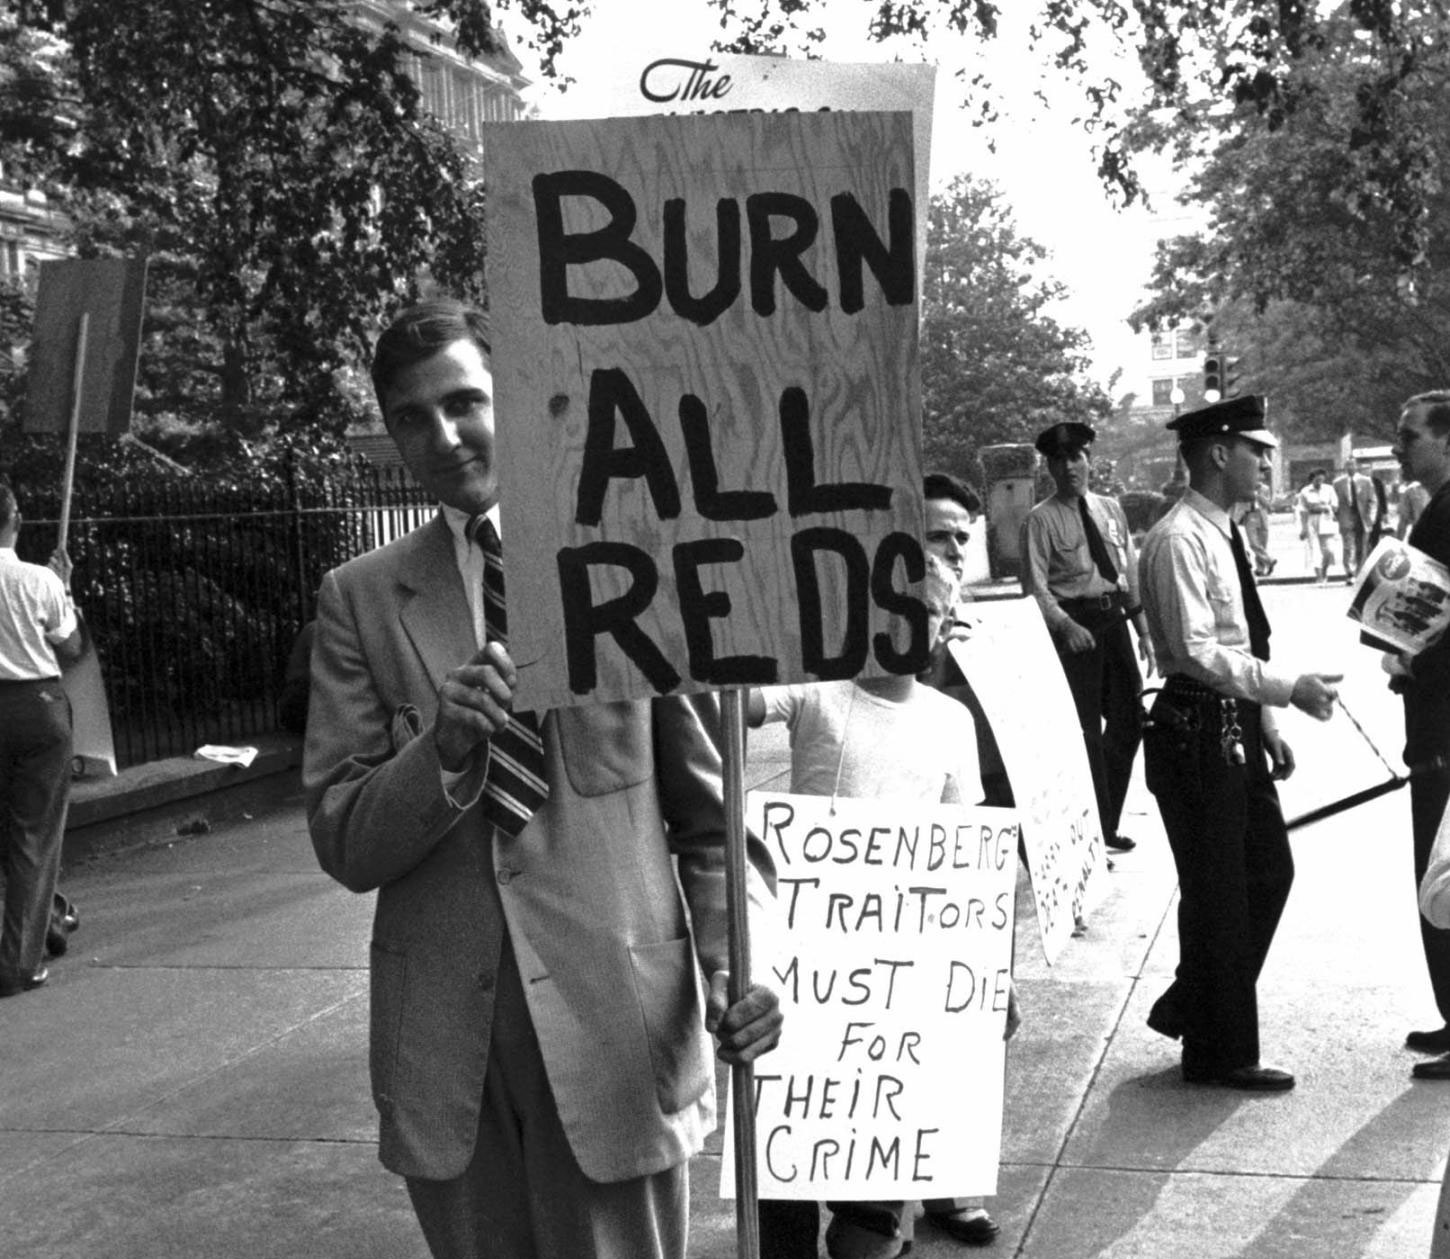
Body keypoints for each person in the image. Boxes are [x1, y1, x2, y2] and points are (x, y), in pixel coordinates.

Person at [304, 300, 783, 1259]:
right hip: (451, 1053)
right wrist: (437, 751)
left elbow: (710, 823)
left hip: (617, 1037)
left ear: (511, 397)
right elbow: (346, 838)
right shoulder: (359, 597)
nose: (442, 434)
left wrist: (746, 965)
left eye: (464, 401)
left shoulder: (631, 562)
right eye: (411, 416)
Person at [750, 564, 1019, 1259]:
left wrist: (995, 973)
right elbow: (736, 699)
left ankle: (875, 1231)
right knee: (786, 1170)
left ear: (945, 626)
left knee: (871, 1200)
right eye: (891, 610)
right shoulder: (816, 691)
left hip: (896, 986)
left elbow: (969, 850)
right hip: (803, 970)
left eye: (926, 613)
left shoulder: (951, 719)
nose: (908, 626)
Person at [1138, 396, 1341, 1091]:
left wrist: (1267, 720)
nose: (1267, 462)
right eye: (1257, 449)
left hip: (1232, 728)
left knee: (1266, 871)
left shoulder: (1224, 532)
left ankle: (1196, 1003)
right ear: (1218, 453)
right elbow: (1196, 650)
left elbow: (1242, 636)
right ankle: (1218, 1051)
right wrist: (1287, 688)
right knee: (1219, 890)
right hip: (1195, 729)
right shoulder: (1177, 539)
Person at [1020, 422, 1155, 854]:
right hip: (1074, 630)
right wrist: (1065, 625)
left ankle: (1106, 820)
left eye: (1076, 457)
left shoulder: (1110, 509)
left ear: (1089, 461)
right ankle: (1089, 830)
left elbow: (1128, 574)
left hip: (1113, 623)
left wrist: (1145, 632)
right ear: (1049, 468)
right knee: (1084, 734)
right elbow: (1034, 588)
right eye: (1059, 460)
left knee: (1130, 721)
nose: (1069, 467)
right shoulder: (1039, 520)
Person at [1371, 393, 1450, 1079]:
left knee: (1441, 874)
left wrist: (1411, 658)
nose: (1398, 446)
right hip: (1431, 722)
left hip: (1444, 732)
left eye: (1408, 435)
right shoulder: (1434, 508)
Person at [0, 484, 87, 999]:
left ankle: (48, 916)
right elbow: (72, 648)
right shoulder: (38, 580)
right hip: (36, 709)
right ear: (16, 517)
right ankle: (18, 961)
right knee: (33, 834)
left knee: (8, 830)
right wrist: (65, 590)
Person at [920, 471, 1011, 810]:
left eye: (962, 537)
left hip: (986, 789)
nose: (956, 551)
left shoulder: (975, 615)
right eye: (939, 537)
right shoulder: (885, 623)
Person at [1333, 456, 1378, 580]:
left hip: (1362, 518)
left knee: (1361, 547)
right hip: (1346, 518)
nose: (1350, 467)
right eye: (1348, 465)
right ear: (1345, 467)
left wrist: (1371, 517)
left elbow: (1373, 500)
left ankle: (1359, 572)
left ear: (1357, 466)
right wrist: (1338, 517)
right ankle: (1349, 572)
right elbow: (1334, 502)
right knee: (1348, 546)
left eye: (1352, 464)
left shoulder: (1366, 481)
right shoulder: (1338, 483)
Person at [1295, 469, 1338, 582]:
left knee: (1329, 549)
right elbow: (1302, 510)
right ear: (1312, 479)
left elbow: (1335, 505)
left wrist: (1324, 507)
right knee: (1314, 548)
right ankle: (1319, 576)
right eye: (1317, 480)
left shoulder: (1329, 489)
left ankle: (1324, 570)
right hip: (1311, 520)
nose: (1319, 482)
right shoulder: (1305, 491)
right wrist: (1303, 528)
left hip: (1326, 519)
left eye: (1321, 480)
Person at [1240, 477, 1276, 576]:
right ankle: (1269, 560)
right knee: (1253, 542)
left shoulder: (1265, 488)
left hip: (1262, 513)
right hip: (1250, 514)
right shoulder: (1244, 488)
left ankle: (1260, 568)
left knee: (1262, 542)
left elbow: (1268, 504)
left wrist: (1258, 496)